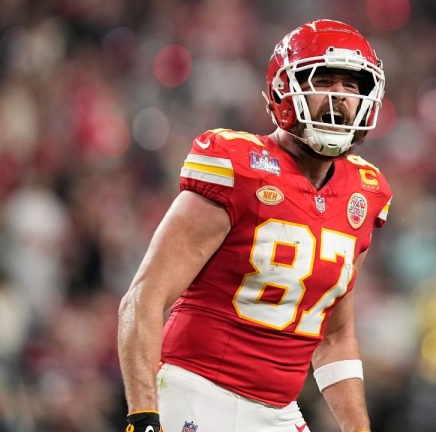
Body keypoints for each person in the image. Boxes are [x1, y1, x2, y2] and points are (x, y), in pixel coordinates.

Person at [118, 19, 391, 432]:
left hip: (279, 410)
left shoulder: (365, 192)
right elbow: (144, 298)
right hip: (198, 391)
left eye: (351, 86)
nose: (338, 97)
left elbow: (334, 337)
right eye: (324, 81)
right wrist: (143, 415)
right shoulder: (237, 165)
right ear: (285, 89)